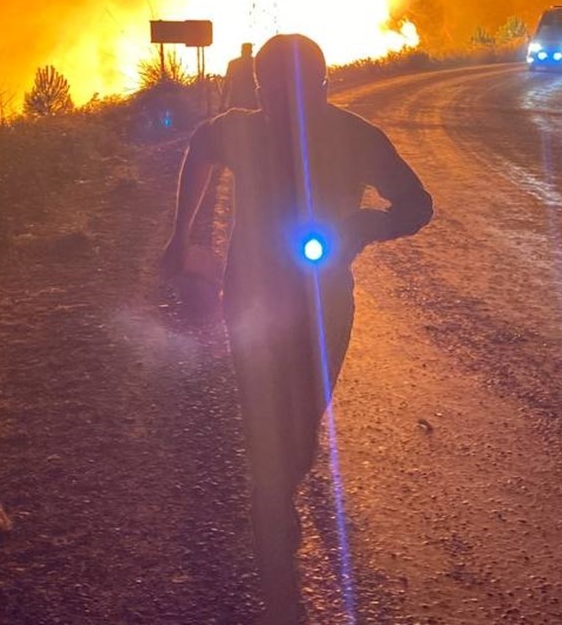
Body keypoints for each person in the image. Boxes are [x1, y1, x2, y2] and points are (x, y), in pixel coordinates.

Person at [160, 34, 432, 622]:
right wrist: (181, 235)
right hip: (254, 295)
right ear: (258, 89)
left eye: (298, 88)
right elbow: (199, 152)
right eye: (272, 89)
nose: (284, 101)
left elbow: (417, 205)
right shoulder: (242, 129)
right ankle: (271, 498)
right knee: (262, 403)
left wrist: (363, 225)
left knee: (305, 410)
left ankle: (275, 490)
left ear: (324, 84)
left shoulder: (358, 137)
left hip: (323, 299)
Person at [222, 41, 258, 111]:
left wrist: (223, 102)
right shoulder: (255, 62)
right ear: (250, 51)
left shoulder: (233, 63)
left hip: (236, 100)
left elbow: (227, 84)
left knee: (235, 120)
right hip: (251, 100)